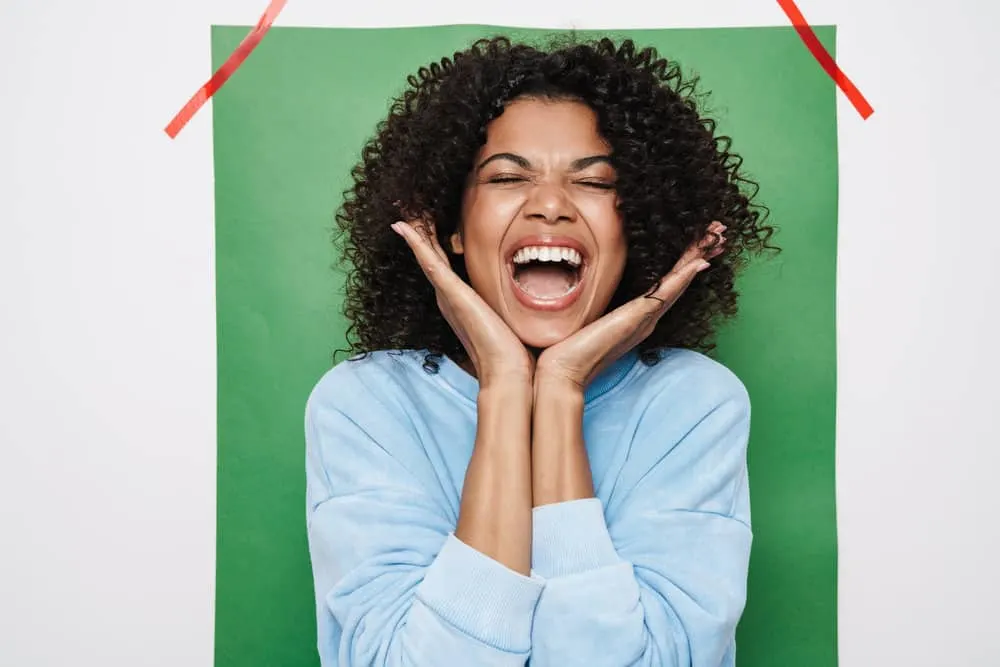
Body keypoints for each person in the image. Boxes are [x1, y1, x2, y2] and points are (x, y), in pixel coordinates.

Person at [304, 35, 775, 666]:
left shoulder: (694, 403)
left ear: (636, 226)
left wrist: (558, 395)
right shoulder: (366, 404)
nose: (550, 205)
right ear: (451, 230)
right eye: (506, 176)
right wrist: (503, 387)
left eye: (593, 182)